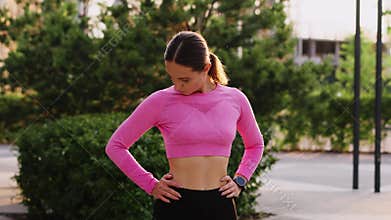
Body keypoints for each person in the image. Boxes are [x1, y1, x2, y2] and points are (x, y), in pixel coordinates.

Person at [105, 31, 264, 220]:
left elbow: (255, 145)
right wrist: (151, 184)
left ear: (206, 68)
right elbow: (115, 146)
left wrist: (240, 180)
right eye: (173, 78)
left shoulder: (236, 99)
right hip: (176, 206)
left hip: (220, 204)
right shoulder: (160, 101)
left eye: (184, 80)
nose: (178, 86)